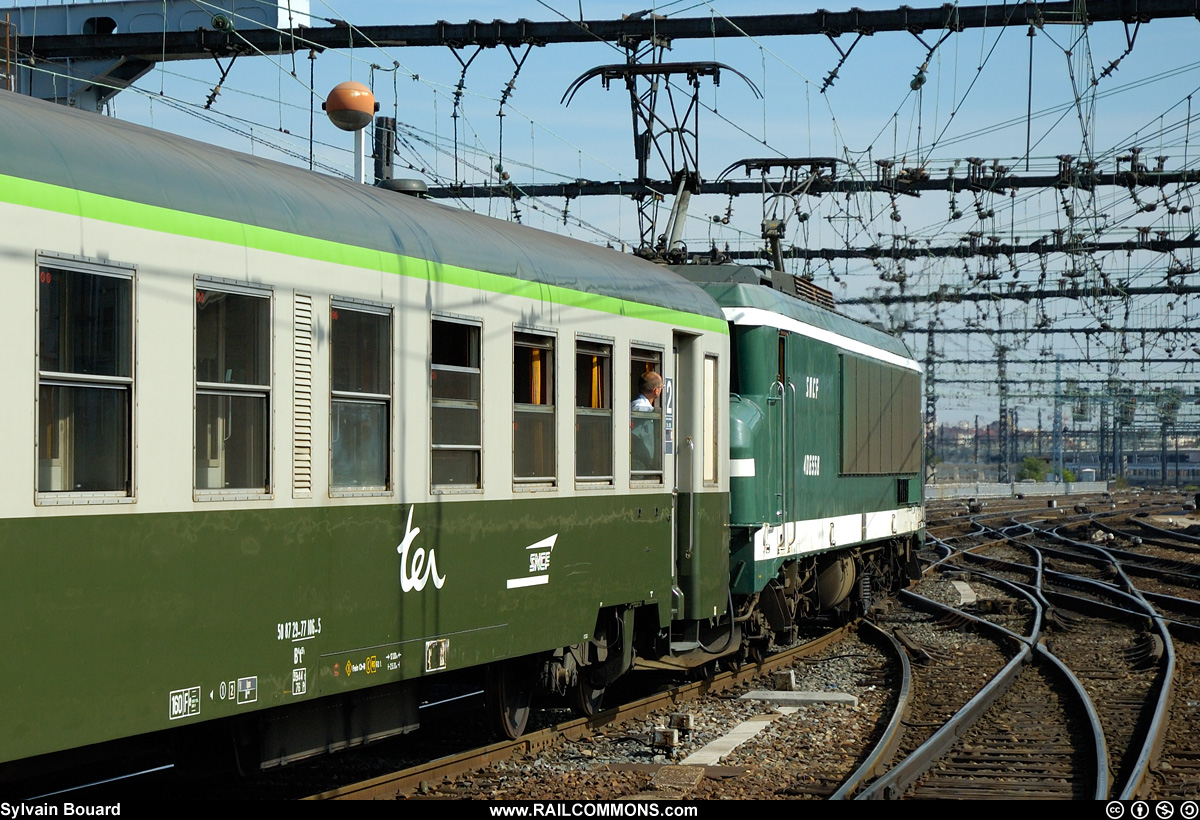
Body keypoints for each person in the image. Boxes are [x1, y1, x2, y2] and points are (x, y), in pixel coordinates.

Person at [631, 370, 662, 473]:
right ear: (656, 391)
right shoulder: (642, 408)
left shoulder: (636, 404)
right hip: (639, 461)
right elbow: (634, 435)